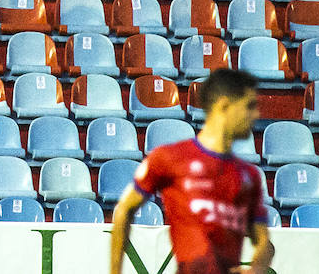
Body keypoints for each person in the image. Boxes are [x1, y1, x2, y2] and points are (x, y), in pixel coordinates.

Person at [110, 68, 273, 274]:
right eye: (249, 106)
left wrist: (258, 267)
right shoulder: (169, 157)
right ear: (224, 106)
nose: (256, 114)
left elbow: (264, 242)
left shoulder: (249, 175)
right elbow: (124, 209)